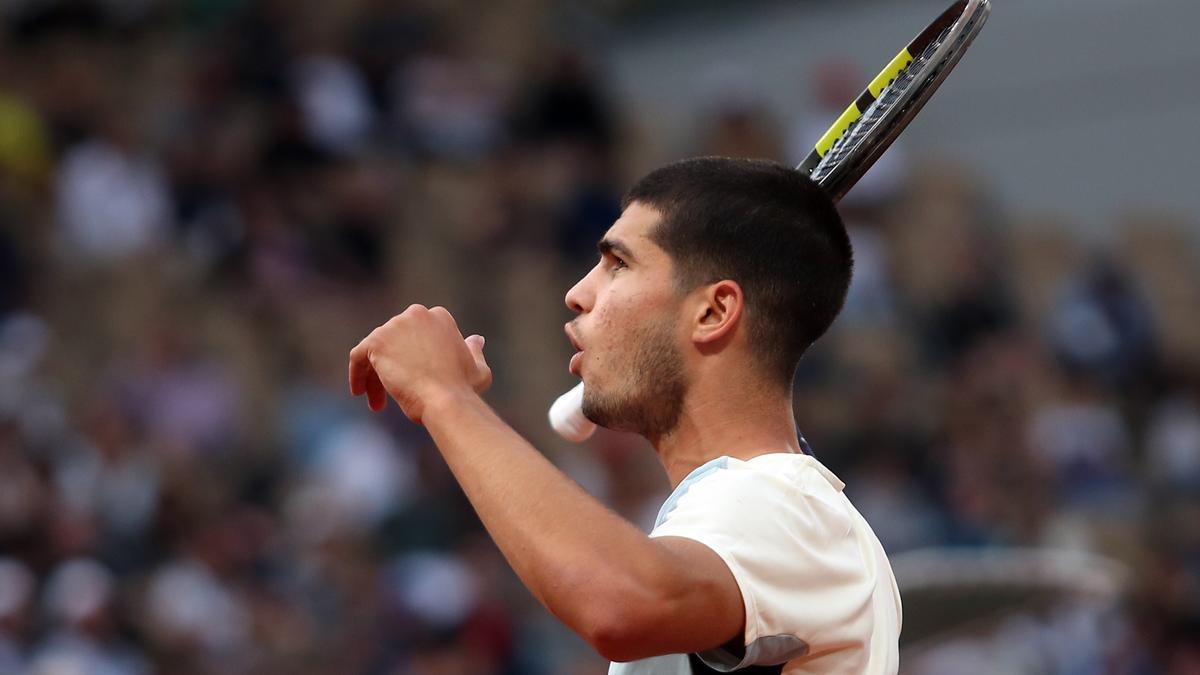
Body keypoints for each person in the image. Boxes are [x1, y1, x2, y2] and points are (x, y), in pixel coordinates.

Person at [348, 157, 901, 673]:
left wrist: (446, 397)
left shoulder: (783, 503)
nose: (577, 293)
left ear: (712, 311)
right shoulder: (751, 512)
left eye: (618, 264)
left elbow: (619, 605)